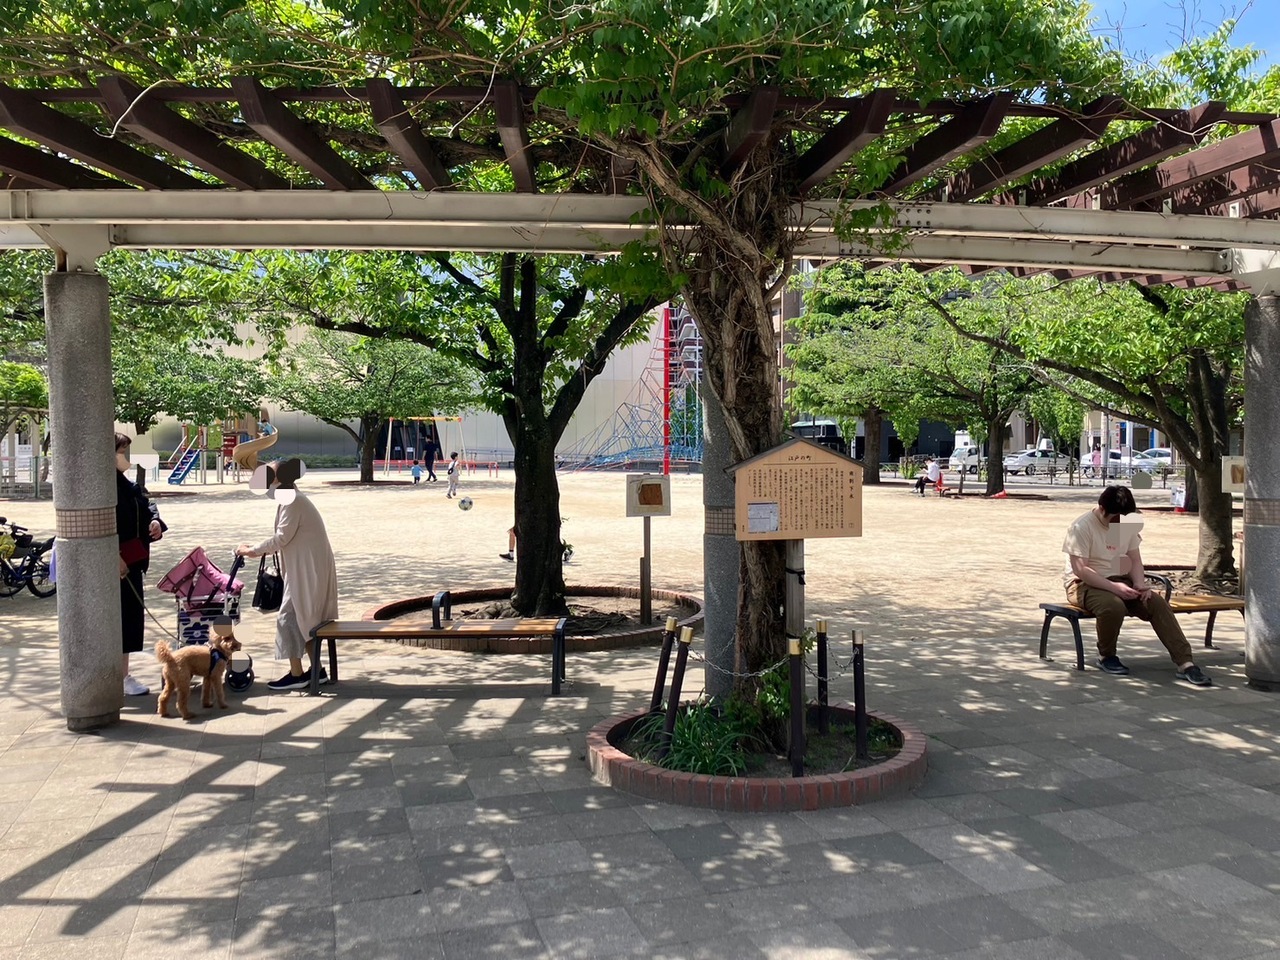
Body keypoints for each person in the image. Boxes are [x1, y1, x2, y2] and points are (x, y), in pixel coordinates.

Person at [1063, 485, 1211, 686]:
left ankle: (1185, 662)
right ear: (1102, 509)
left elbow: (1134, 559)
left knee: (1157, 604)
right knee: (1112, 605)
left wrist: (1140, 584)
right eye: (1115, 518)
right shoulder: (1081, 527)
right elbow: (1081, 569)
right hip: (1084, 584)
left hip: (1121, 579)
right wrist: (1114, 588)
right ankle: (1107, 655)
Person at [236, 460, 339, 692]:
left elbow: (281, 538)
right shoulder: (292, 498)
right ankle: (316, 670)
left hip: (306, 571)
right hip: (307, 569)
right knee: (306, 620)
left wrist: (252, 550)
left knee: (289, 618)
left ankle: (297, 674)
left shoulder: (292, 501)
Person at [115, 432, 166, 696]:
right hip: (117, 564)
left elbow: (147, 505)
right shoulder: (103, 486)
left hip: (133, 561)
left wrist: (155, 522)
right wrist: (114, 557)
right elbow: (100, 526)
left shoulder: (126, 483)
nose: (127, 457)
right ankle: (119, 677)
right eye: (122, 451)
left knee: (130, 620)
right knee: (120, 621)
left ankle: (123, 674)